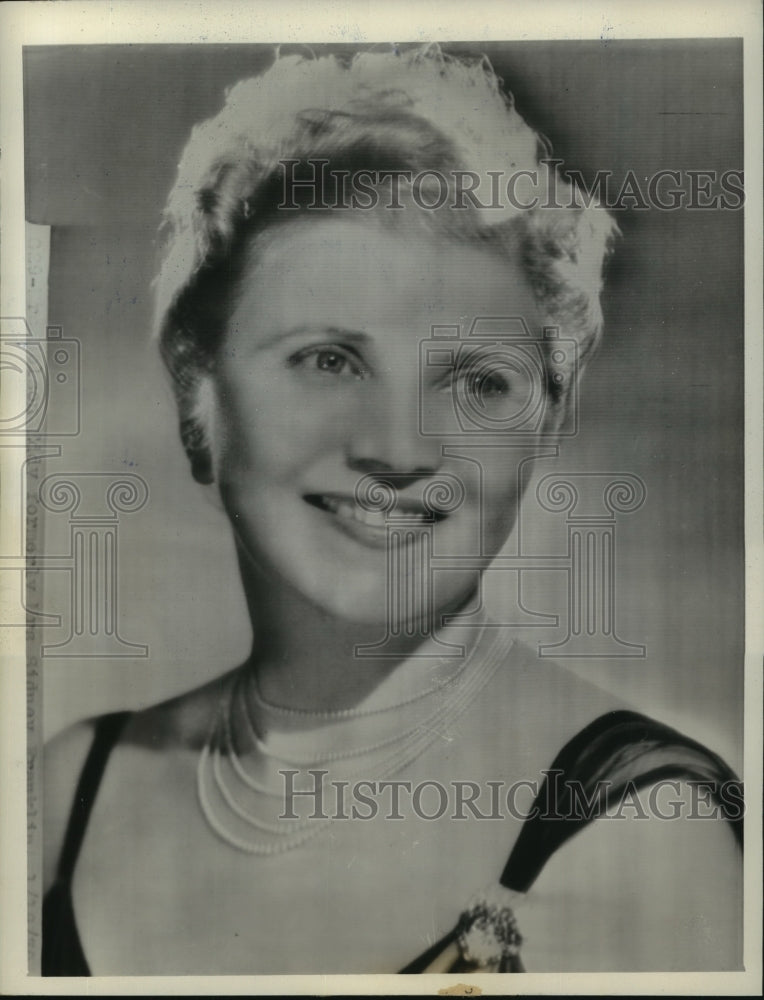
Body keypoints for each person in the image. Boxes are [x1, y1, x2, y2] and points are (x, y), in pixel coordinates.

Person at [41, 43, 742, 976]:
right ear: (197, 394)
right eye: (330, 359)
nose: (401, 449)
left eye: (477, 382)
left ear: (547, 424)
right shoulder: (61, 791)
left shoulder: (644, 831)